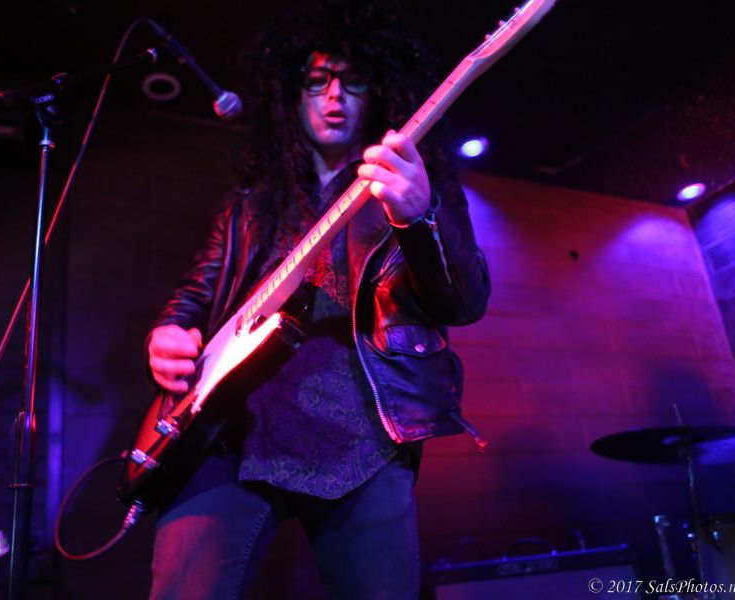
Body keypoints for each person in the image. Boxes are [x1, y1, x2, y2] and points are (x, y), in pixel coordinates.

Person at [145, 4, 490, 598]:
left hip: (362, 441)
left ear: (376, 94)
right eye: (317, 81)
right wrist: (168, 331)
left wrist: (418, 216)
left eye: (353, 82)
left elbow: (466, 301)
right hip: (233, 435)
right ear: (291, 94)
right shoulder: (252, 198)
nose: (334, 96)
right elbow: (199, 288)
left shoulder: (409, 180)